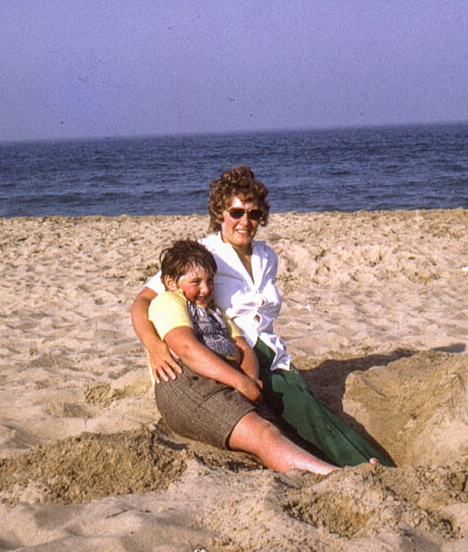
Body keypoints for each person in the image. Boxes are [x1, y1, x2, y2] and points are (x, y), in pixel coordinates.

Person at [131, 165, 393, 468]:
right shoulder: (203, 255)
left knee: (309, 408)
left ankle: (357, 464)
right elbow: (143, 301)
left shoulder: (267, 257)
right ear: (220, 214)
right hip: (231, 353)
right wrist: (155, 347)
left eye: (253, 214)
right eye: (236, 212)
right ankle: (371, 467)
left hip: (269, 354)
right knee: (305, 411)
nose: (245, 221)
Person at [148, 239, 337, 475]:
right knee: (263, 433)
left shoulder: (215, 312)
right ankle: (331, 476)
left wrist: (250, 379)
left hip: (226, 379)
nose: (205, 289)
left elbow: (243, 347)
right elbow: (185, 347)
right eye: (195, 282)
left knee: (277, 428)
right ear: (170, 282)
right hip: (186, 382)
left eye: (209, 281)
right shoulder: (168, 301)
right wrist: (240, 382)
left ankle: (335, 467)